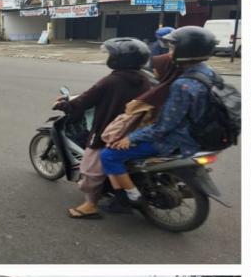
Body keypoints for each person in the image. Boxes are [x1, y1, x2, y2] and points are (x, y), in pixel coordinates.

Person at [100, 26, 219, 206]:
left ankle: (131, 197)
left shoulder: (184, 84)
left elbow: (164, 127)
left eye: (172, 48)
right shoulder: (208, 73)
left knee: (108, 154)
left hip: (178, 139)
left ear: (185, 50)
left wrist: (131, 137)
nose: (169, 51)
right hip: (203, 134)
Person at [55, 37, 152, 219]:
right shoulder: (143, 79)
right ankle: (118, 194)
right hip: (133, 130)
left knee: (90, 169)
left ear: (118, 59)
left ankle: (90, 205)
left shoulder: (111, 81)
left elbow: (84, 101)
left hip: (108, 131)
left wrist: (64, 105)